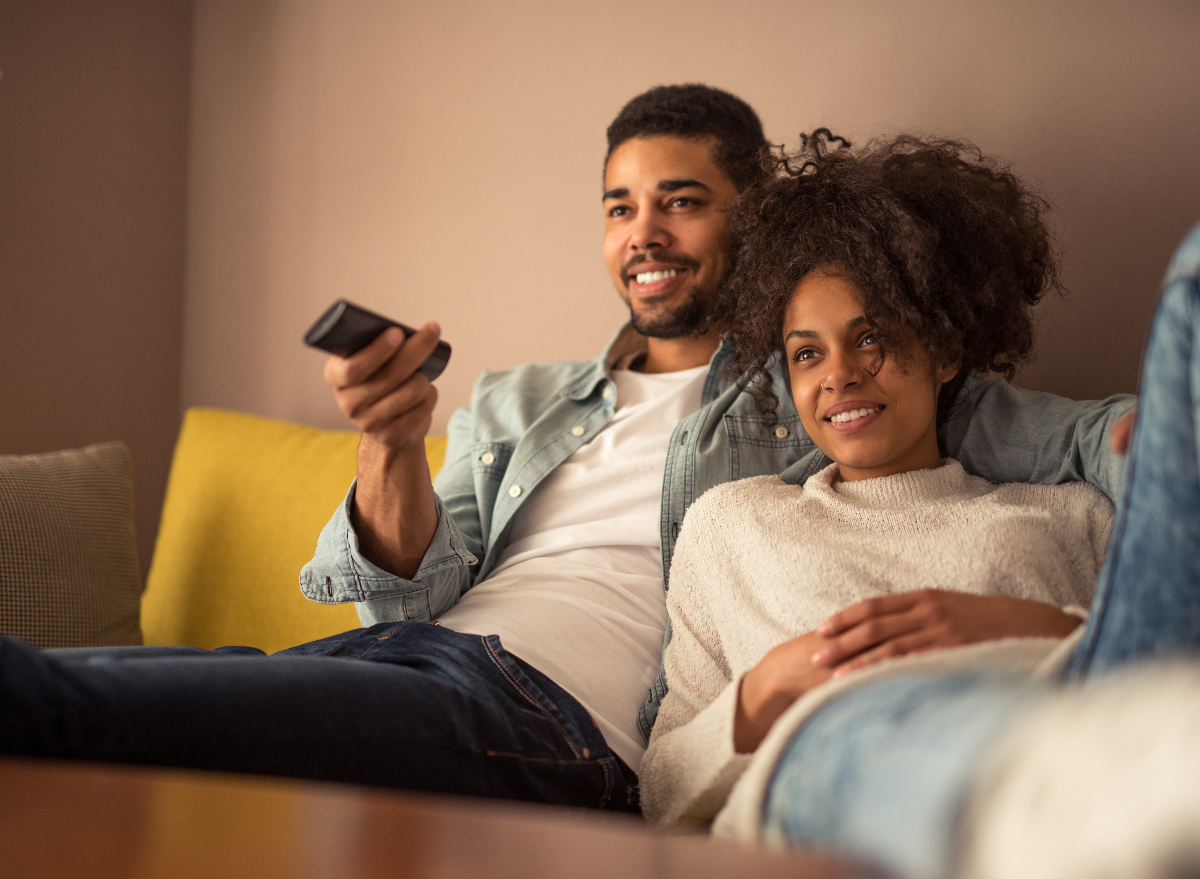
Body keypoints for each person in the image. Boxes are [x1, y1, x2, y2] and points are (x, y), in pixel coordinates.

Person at [0, 88, 1131, 810]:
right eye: (618, 206)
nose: (643, 230)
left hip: (553, 726)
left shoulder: (823, 383)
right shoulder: (517, 402)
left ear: (759, 221)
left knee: (60, 716)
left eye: (681, 200)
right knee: (68, 698)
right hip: (418, 671)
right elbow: (400, 603)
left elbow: (1101, 447)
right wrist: (389, 446)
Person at [640, 132, 1200, 877]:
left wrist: (1026, 624)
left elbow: (1135, 663)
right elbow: (660, 790)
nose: (837, 375)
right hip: (843, 743)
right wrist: (766, 688)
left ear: (944, 352)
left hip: (1084, 708)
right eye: (807, 352)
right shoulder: (731, 522)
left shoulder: (1069, 512)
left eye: (870, 338)